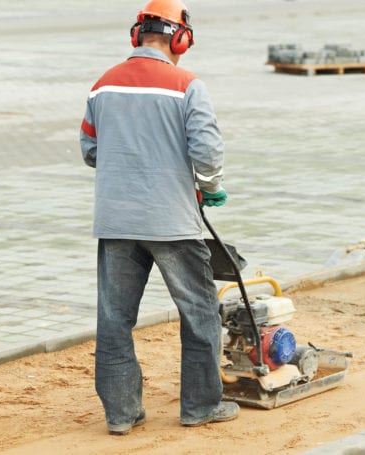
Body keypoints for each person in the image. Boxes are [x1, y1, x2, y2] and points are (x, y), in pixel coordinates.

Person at [79, 0, 239, 435]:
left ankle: (121, 415)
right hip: (172, 221)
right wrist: (210, 188)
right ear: (181, 38)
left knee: (114, 319)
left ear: (137, 34)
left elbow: (91, 151)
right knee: (200, 313)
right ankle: (200, 407)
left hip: (115, 222)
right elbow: (206, 153)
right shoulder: (188, 85)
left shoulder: (102, 86)